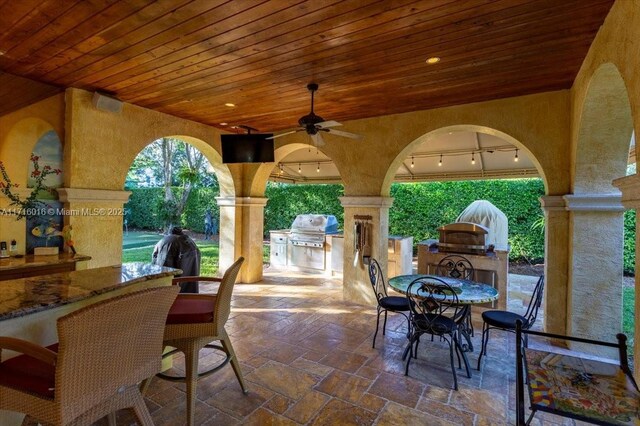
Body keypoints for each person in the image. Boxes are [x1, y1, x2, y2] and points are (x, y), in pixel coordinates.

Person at [152, 226, 201, 293]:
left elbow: (161, 267)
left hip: (172, 295)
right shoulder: (190, 241)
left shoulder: (166, 242)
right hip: (190, 292)